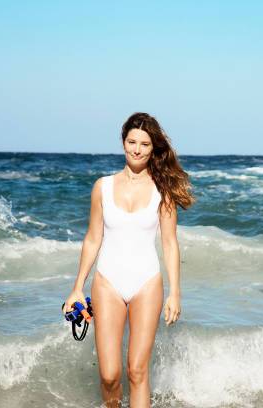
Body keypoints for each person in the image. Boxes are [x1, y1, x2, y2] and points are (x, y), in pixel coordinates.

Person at [62, 112, 194, 407]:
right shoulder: (103, 187)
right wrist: (76, 287)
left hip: (147, 282)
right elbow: (93, 238)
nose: (137, 149)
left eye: (144, 144)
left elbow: (170, 244)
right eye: (132, 141)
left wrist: (175, 292)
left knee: (137, 370)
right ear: (123, 142)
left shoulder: (164, 192)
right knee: (110, 375)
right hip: (107, 282)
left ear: (153, 148)